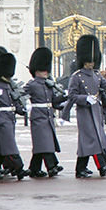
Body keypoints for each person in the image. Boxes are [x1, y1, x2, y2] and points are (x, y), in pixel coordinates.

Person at [60, 34, 106, 178]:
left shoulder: (96, 75)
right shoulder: (76, 76)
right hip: (84, 112)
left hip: (96, 110)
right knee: (91, 138)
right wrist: (85, 98)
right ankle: (102, 166)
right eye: (89, 62)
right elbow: (72, 96)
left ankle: (81, 168)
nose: (91, 64)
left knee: (93, 139)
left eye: (93, 61)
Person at [0, 52, 28, 180]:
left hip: (9, 117)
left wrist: (21, 109)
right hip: (0, 118)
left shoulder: (9, 86)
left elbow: (14, 101)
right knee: (9, 144)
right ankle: (18, 167)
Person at [24, 47, 66, 178]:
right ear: (36, 71)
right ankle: (51, 166)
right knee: (44, 143)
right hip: (38, 116)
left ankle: (34, 168)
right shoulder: (32, 84)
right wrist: (24, 106)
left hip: (48, 116)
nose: (45, 73)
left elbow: (54, 101)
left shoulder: (49, 84)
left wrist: (65, 97)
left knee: (43, 144)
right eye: (43, 70)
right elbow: (21, 95)